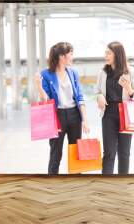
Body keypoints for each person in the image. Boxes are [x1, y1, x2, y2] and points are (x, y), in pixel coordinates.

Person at [35, 42, 90, 175]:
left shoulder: (73, 73)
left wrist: (85, 120)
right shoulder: (46, 74)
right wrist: (39, 86)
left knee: (76, 153)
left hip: (74, 116)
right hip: (56, 116)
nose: (72, 57)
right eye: (70, 54)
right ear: (61, 56)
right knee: (56, 153)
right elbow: (45, 100)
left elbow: (80, 97)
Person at [95, 41, 134, 175]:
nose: (105, 55)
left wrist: (129, 89)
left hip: (126, 114)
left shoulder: (130, 71)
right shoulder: (103, 72)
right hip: (108, 113)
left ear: (117, 54)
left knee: (124, 153)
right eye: (105, 53)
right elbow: (97, 90)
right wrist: (99, 96)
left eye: (108, 53)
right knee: (109, 152)